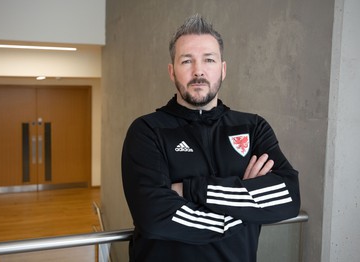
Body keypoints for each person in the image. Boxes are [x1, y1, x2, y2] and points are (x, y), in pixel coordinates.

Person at [121, 14, 300, 262]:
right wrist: (246, 205)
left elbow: (287, 197)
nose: (198, 71)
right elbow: (155, 217)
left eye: (209, 59)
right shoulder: (147, 131)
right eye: (187, 61)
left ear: (223, 69)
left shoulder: (253, 127)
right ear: (172, 72)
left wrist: (190, 189)